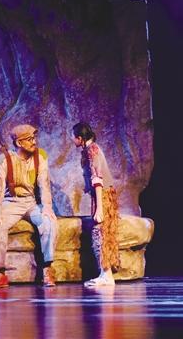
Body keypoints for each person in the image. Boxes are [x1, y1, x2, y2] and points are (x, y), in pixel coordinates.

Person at [0, 124, 58, 289]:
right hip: (11, 203)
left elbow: (44, 185)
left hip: (31, 202)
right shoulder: (4, 160)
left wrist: (47, 207)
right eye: (30, 139)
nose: (34, 142)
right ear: (19, 143)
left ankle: (48, 269)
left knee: (49, 221)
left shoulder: (41, 156)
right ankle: (0, 274)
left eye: (34, 138)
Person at [72, 122, 120, 287]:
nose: (72, 140)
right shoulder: (89, 150)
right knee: (100, 232)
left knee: (101, 232)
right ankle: (104, 274)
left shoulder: (93, 150)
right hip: (100, 195)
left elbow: (98, 180)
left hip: (104, 195)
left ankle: (107, 275)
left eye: (74, 137)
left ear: (80, 138)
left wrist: (99, 208)